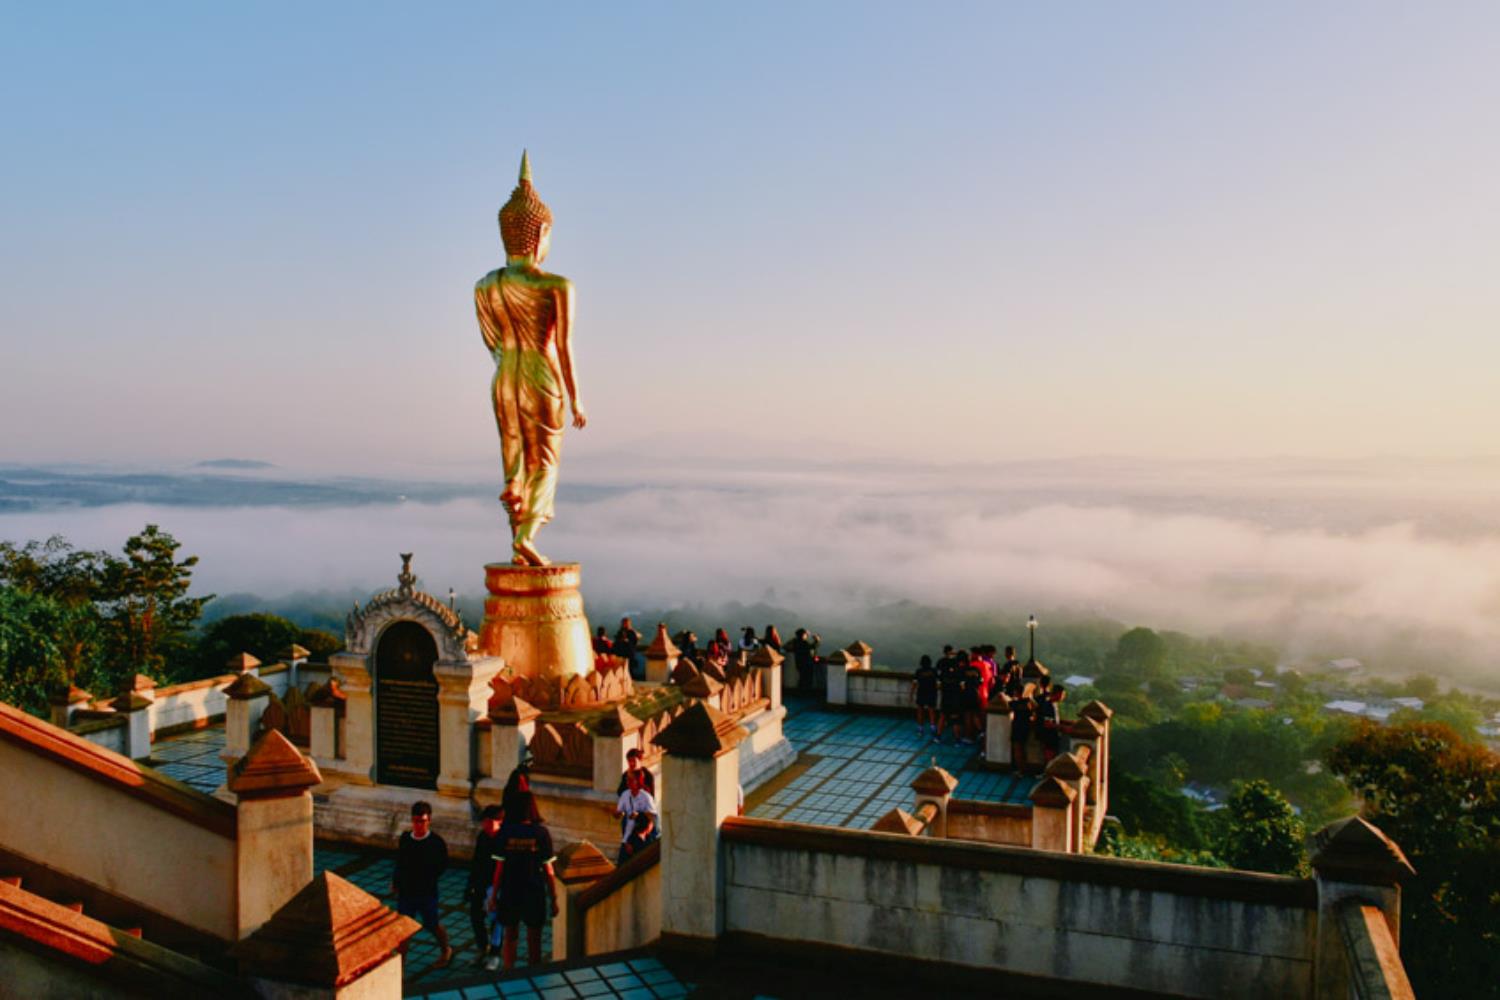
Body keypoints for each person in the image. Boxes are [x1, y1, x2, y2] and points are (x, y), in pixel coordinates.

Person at [474, 152, 587, 567]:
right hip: (541, 373)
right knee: (546, 463)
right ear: (540, 233)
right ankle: (526, 533)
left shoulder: (486, 285)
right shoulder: (557, 285)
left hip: (504, 374)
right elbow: (563, 346)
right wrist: (576, 398)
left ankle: (519, 538)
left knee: (514, 458)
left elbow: (491, 340)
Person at [485, 789, 558, 971]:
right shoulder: (541, 833)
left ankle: (508, 971)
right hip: (534, 891)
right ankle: (533, 972)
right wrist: (554, 898)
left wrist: (493, 895)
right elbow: (549, 870)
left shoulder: (505, 833)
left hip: (510, 890)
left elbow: (499, 869)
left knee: (510, 935)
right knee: (534, 936)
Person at [392, 801, 453, 968]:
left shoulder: (436, 842)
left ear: (429, 821)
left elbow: (442, 865)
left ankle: (445, 949)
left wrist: (427, 877)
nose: (419, 825)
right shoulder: (405, 839)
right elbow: (400, 862)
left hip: (427, 892)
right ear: (412, 820)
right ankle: (401, 965)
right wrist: (396, 881)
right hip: (406, 892)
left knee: (432, 924)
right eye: (416, 821)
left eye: (423, 821)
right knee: (403, 929)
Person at [466, 805, 504, 967]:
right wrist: (470, 885)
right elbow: (476, 862)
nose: (486, 826)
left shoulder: (503, 840)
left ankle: (495, 953)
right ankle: (482, 948)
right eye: (484, 822)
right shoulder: (483, 837)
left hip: (498, 885)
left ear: (500, 822)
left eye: (490, 822)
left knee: (497, 920)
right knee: (476, 915)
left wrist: (495, 892)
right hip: (481, 883)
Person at [615, 768, 659, 862]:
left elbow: (652, 819)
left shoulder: (646, 797)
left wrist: (643, 833)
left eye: (631, 780)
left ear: (638, 781)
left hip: (641, 836)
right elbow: (619, 812)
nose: (628, 782)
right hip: (628, 836)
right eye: (627, 779)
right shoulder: (625, 795)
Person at [937, 648, 964, 745]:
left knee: (943, 716)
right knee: (955, 718)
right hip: (955, 697)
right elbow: (962, 686)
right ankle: (957, 740)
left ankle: (938, 736)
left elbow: (939, 685)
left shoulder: (943, 674)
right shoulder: (958, 673)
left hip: (945, 696)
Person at [1036, 684, 1067, 762]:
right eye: (1063, 694)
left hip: (1054, 735)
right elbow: (1047, 724)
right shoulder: (1048, 705)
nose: (1063, 697)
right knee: (1049, 758)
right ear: (1057, 694)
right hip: (1048, 736)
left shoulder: (1055, 704)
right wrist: (1064, 727)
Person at [910, 654, 939, 735]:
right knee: (931, 710)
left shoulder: (919, 671)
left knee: (920, 711)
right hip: (932, 692)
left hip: (921, 692)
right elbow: (938, 683)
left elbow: (914, 684)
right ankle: (933, 727)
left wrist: (911, 694)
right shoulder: (934, 671)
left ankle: (920, 728)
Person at [1009, 683, 1034, 773]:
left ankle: (1020, 769)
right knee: (1023, 748)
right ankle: (1024, 768)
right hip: (1026, 727)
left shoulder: (1014, 703)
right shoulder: (1028, 703)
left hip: (1017, 727)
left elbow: (1009, 704)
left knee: (1017, 749)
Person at [786, 628, 818, 694]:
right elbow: (813, 647)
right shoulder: (804, 643)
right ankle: (805, 692)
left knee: (802, 678)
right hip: (807, 663)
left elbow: (786, 646)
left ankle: (800, 692)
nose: (806, 636)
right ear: (803, 635)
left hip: (799, 663)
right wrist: (817, 640)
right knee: (807, 679)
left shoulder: (795, 641)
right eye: (805, 634)